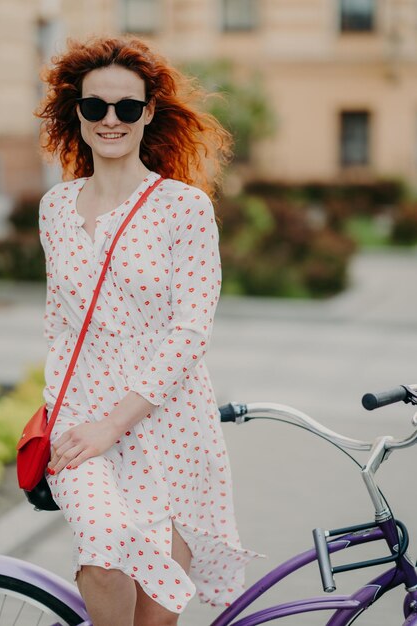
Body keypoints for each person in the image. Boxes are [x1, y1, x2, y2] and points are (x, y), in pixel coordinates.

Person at [36, 35, 257, 626]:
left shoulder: (183, 208)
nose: (111, 120)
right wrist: (63, 411)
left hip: (169, 425)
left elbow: (190, 332)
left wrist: (118, 421)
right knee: (104, 557)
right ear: (76, 112)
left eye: (127, 107)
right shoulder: (55, 207)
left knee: (158, 616)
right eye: (95, 107)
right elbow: (59, 324)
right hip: (82, 421)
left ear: (148, 112)